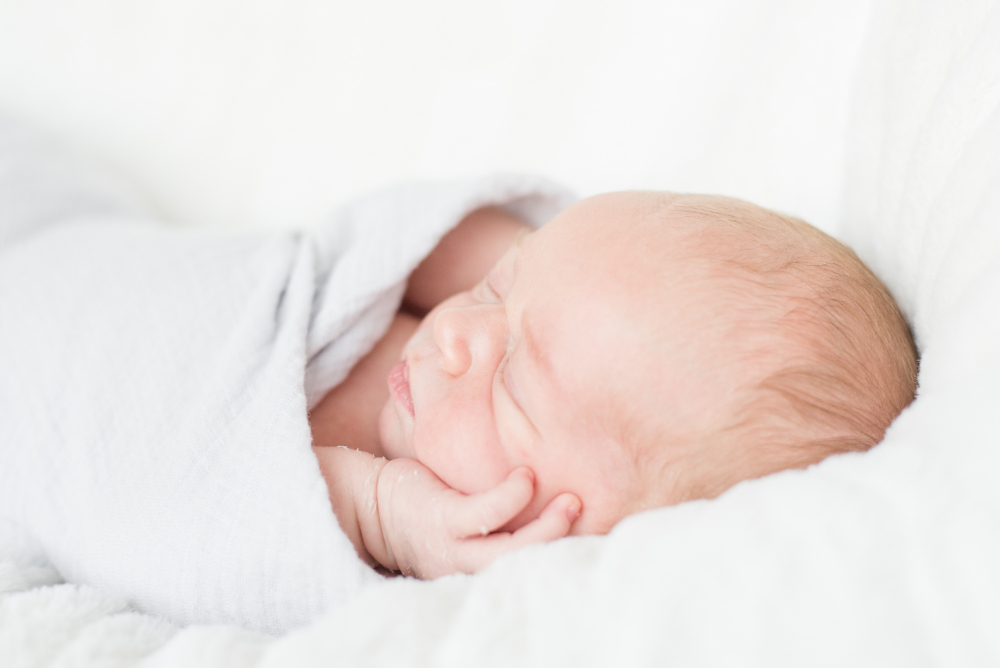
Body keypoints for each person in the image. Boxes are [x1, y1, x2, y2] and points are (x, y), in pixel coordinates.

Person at [309, 192, 919, 579]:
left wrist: (376, 514)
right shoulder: (422, 302)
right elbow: (404, 237)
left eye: (511, 385)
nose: (452, 329)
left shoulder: (421, 579)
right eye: (497, 283)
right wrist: (552, 263)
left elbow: (252, 525)